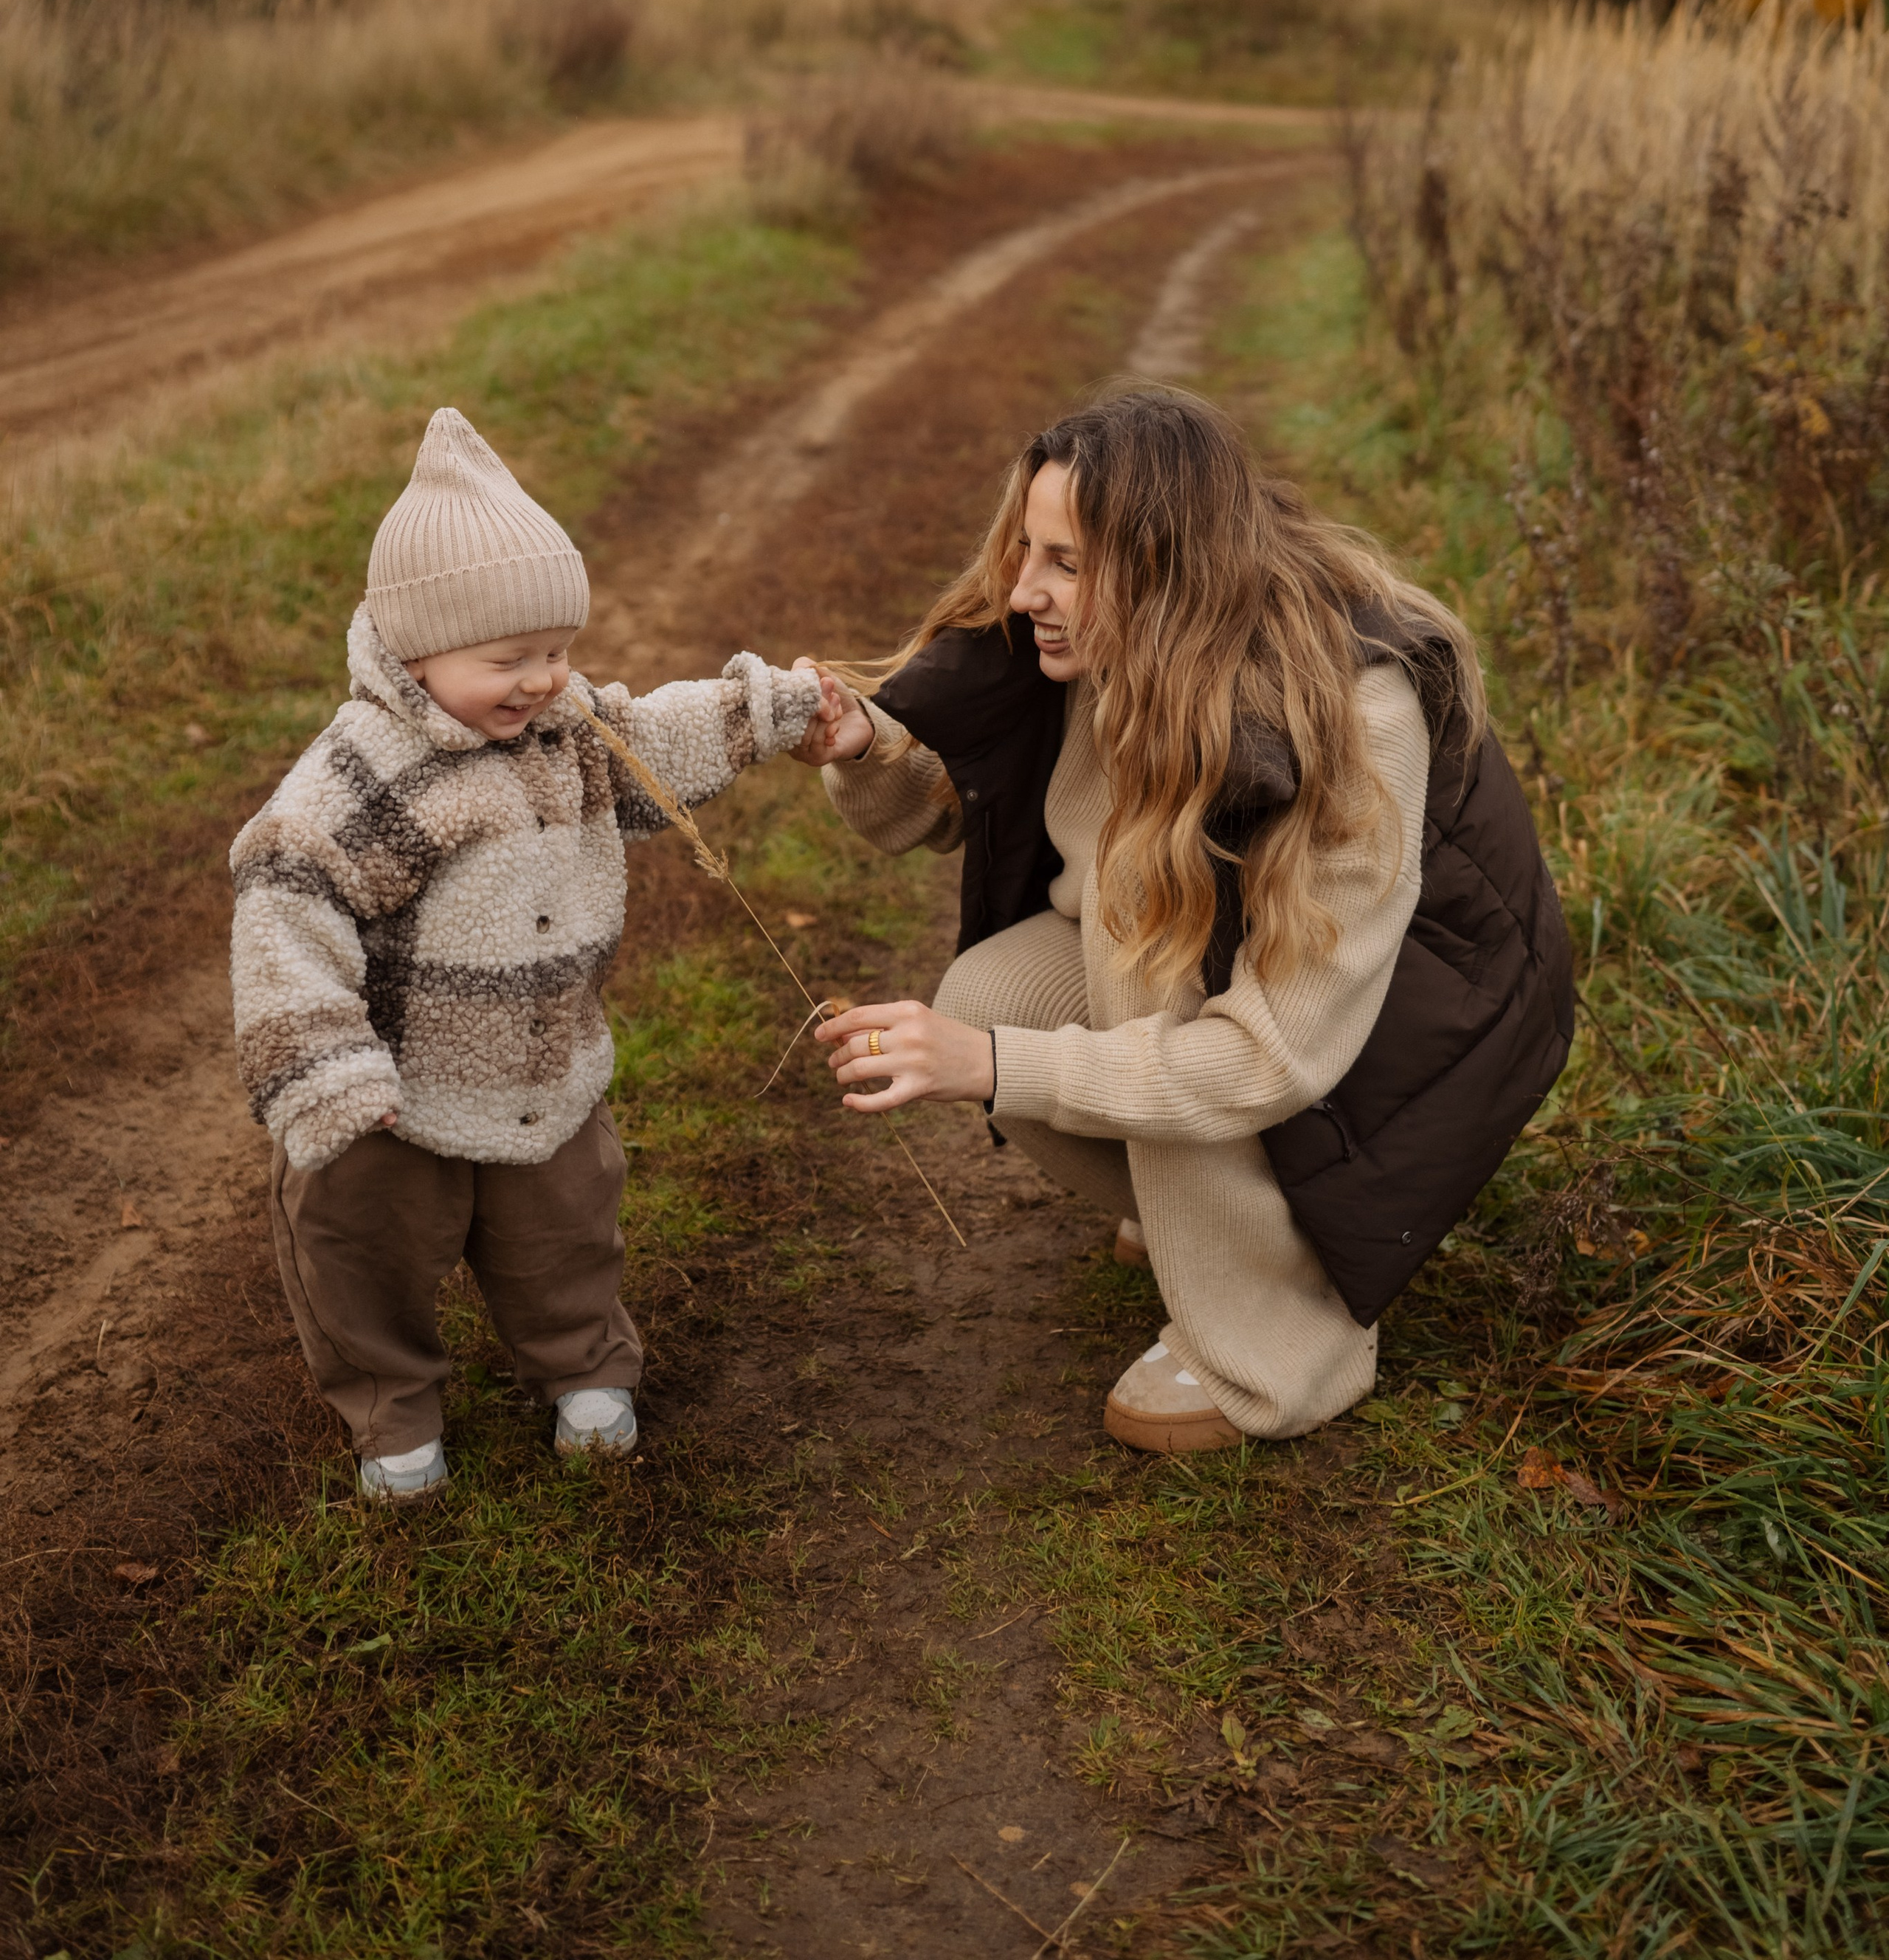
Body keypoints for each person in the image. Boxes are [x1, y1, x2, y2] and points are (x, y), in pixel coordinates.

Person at [798, 387, 1571, 1456]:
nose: (1025, 591)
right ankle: (1190, 1214)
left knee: (1138, 945)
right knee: (1000, 993)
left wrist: (990, 1066)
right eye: (1028, 550)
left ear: (1167, 565)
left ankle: (1285, 1344)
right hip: (1242, 991)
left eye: (1066, 562)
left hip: (1404, 1039)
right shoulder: (1104, 642)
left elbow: (1274, 1054)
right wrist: (863, 747)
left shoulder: (1355, 717)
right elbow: (958, 794)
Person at [229, 406, 823, 1502]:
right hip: (393, 1098)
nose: (545, 679)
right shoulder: (368, 776)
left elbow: (655, 739)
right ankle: (393, 1407)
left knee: (564, 1233)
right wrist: (329, 1072)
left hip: (544, 1070)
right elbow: (286, 911)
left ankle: (583, 1367)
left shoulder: (565, 725)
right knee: (367, 1253)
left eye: (558, 651)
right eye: (510, 658)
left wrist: (764, 710)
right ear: (412, 653)